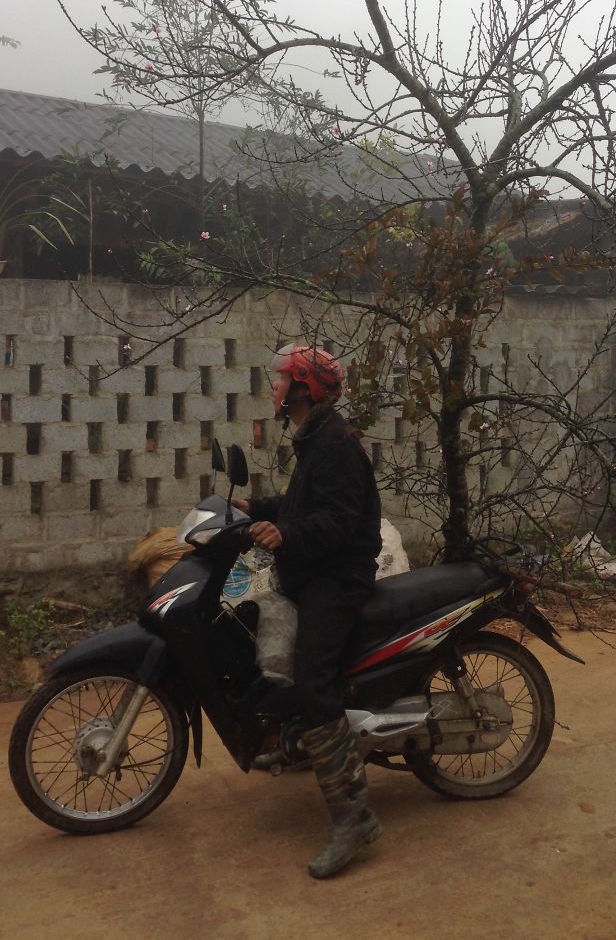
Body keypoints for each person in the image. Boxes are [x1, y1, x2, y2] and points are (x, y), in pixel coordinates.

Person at [232, 343, 383, 879]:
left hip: (338, 576)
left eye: (280, 380)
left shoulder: (336, 444)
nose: (273, 387)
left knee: (315, 679)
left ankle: (354, 816)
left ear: (304, 388)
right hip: (313, 568)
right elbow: (304, 507)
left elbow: (338, 522)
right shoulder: (313, 437)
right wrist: (258, 509)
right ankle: (301, 745)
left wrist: (286, 531)